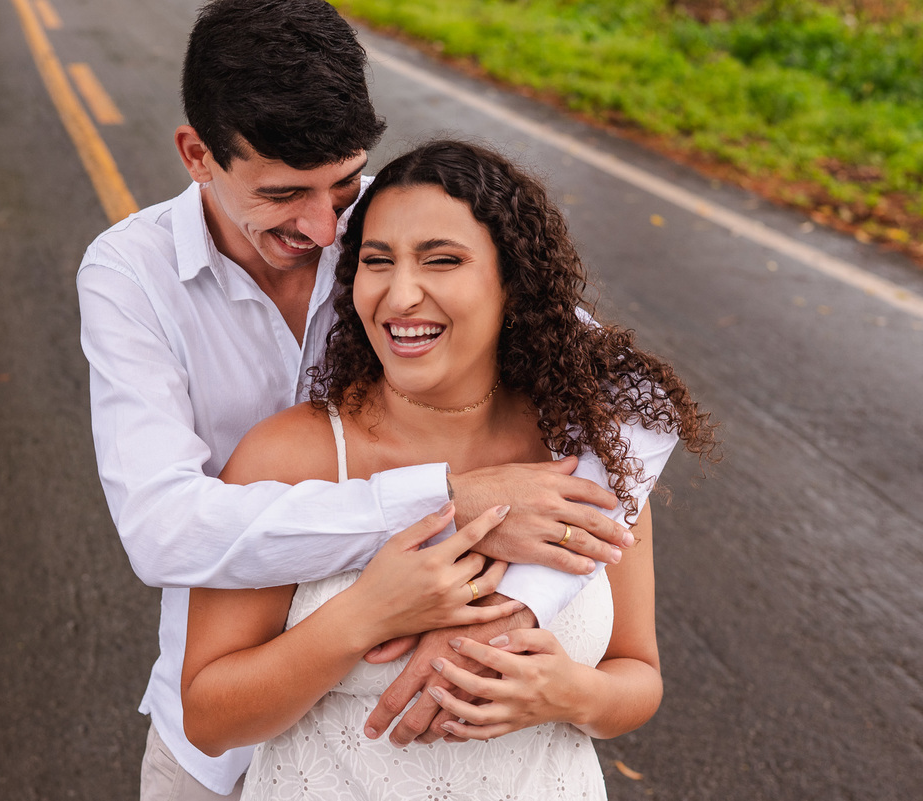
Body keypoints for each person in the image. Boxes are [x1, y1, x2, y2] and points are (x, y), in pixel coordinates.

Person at [77, 2, 640, 798]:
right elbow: (163, 529)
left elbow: (629, 394)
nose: (322, 226)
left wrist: (524, 610)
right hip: (215, 739)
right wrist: (443, 500)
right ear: (197, 155)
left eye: (342, 184)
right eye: (283, 195)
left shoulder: (397, 231)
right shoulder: (128, 277)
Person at [180, 140, 717, 799]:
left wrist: (568, 691)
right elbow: (208, 719)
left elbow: (637, 674)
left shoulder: (587, 452)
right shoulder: (290, 457)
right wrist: (368, 613)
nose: (401, 295)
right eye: (377, 262)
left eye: (443, 260)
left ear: (512, 286)